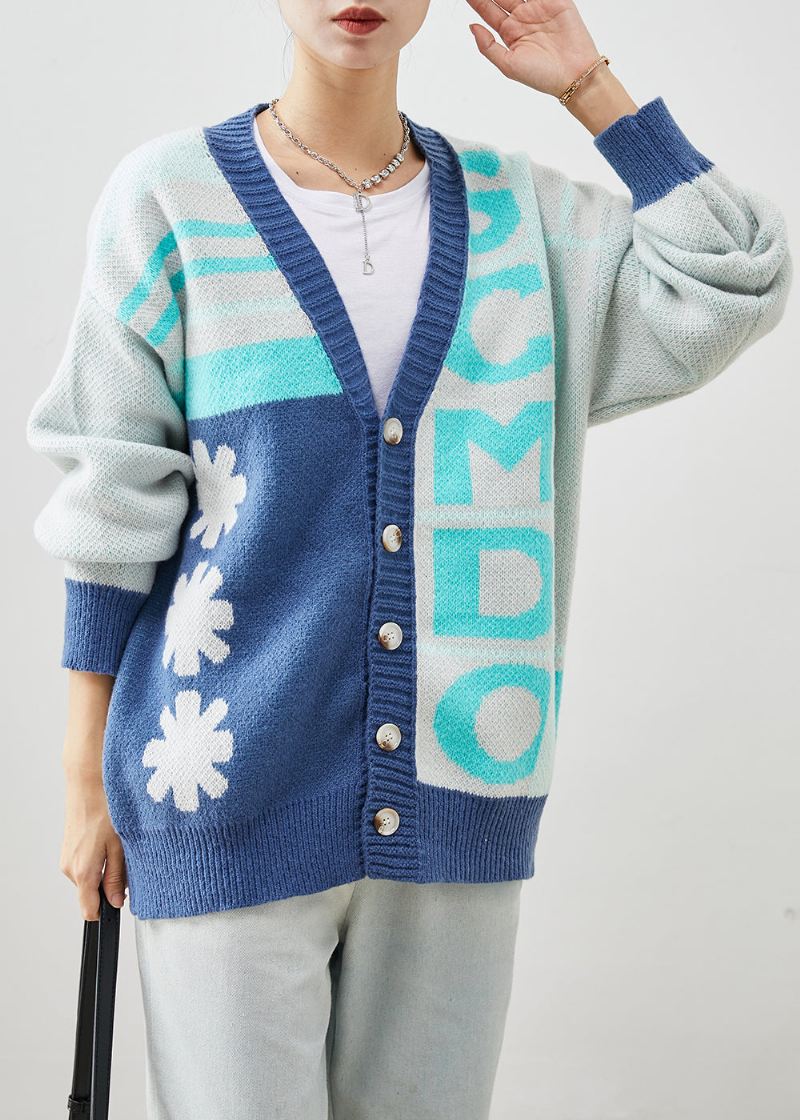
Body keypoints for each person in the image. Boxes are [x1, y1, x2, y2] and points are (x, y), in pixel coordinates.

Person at [25, 1, 791, 1117]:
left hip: (455, 803)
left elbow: (734, 276)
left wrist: (590, 85)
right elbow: (114, 495)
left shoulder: (525, 223)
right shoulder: (171, 201)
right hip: (220, 788)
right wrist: (83, 779)